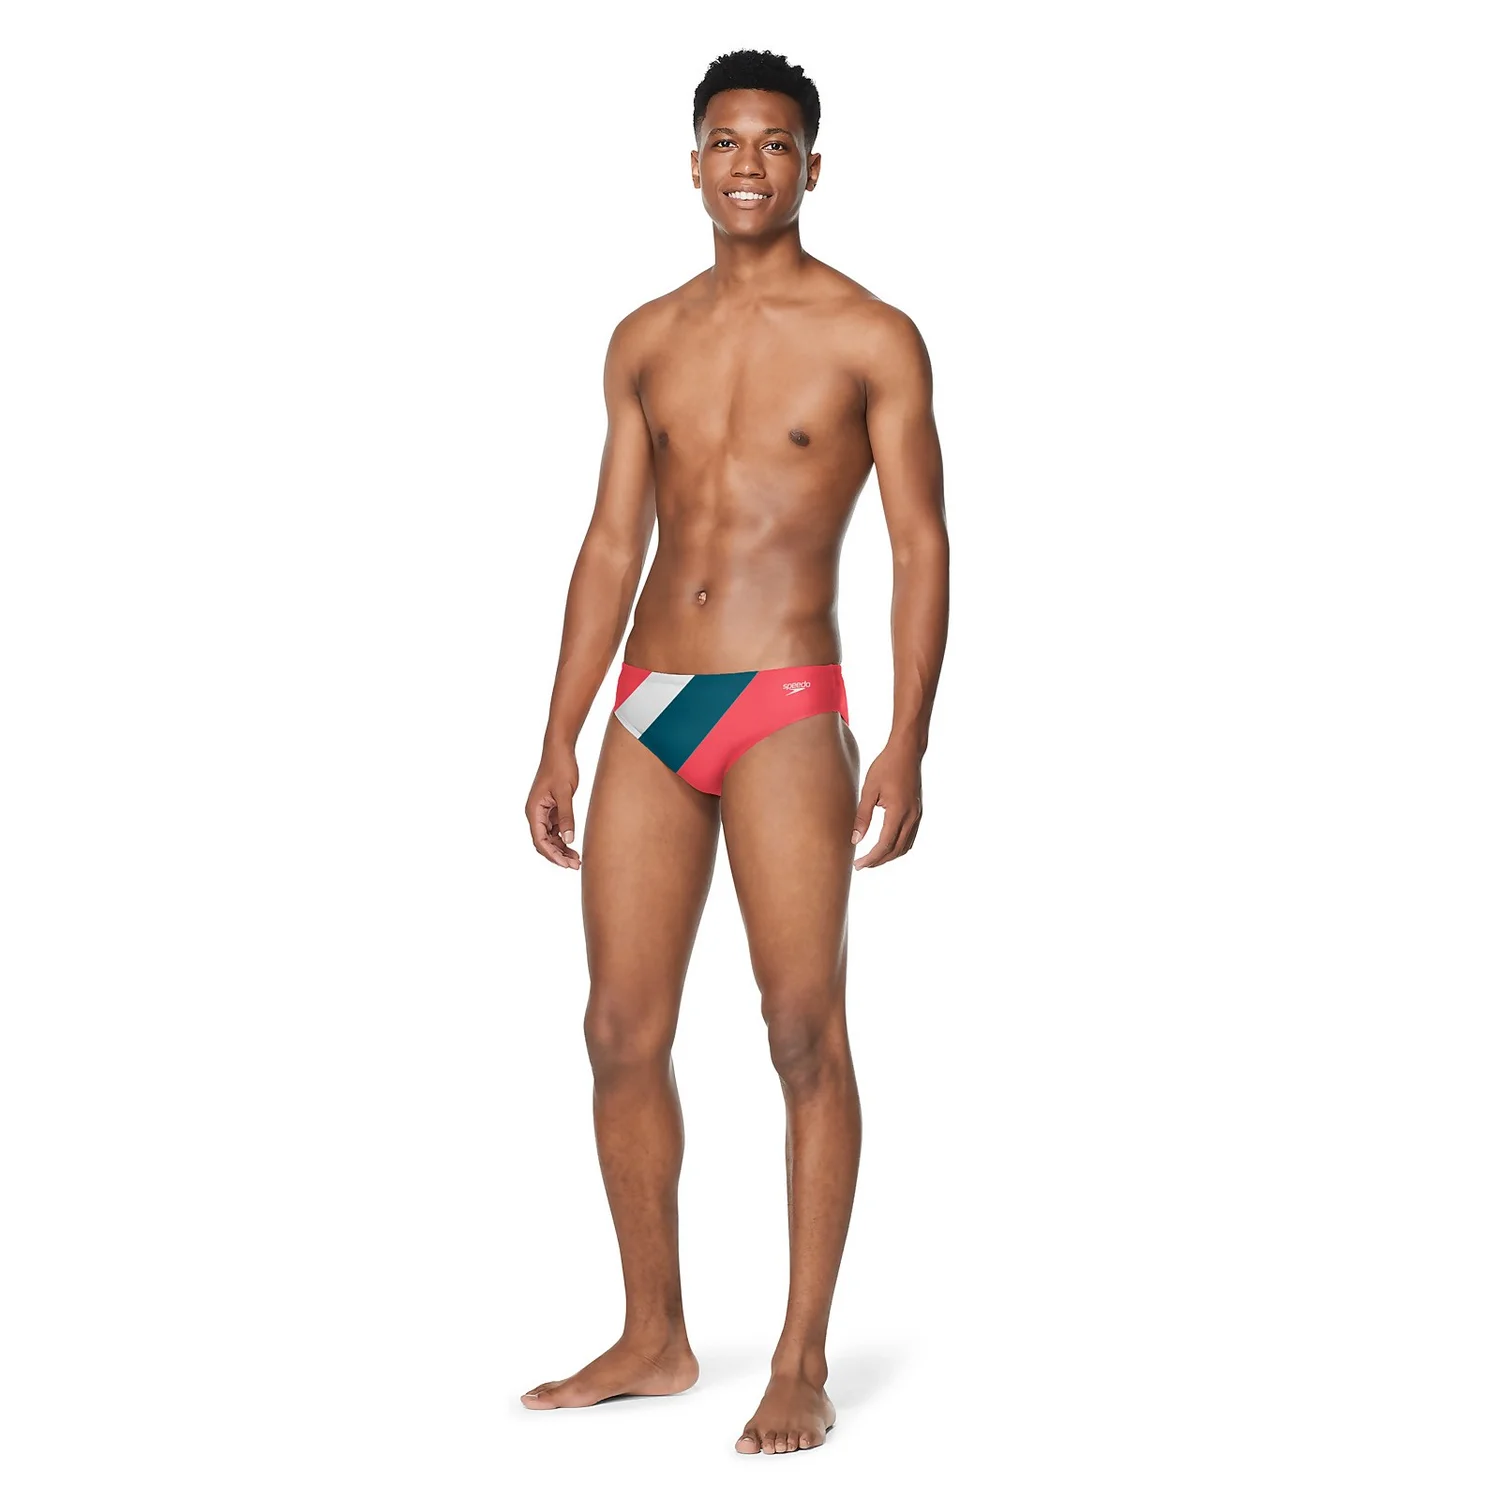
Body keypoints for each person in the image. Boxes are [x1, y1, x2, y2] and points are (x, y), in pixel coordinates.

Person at [521, 48, 949, 1456]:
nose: (748, 163)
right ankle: (654, 1333)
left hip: (785, 699)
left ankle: (803, 1355)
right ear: (693, 162)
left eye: (774, 142)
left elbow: (920, 543)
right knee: (617, 1029)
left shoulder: (872, 335)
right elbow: (609, 544)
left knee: (801, 1028)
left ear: (812, 166)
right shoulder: (645, 336)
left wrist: (907, 737)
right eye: (725, 140)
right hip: (652, 700)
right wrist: (560, 730)